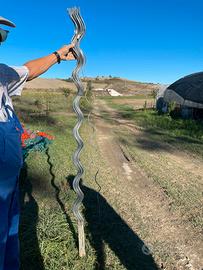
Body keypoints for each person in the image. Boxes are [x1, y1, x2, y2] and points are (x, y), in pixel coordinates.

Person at [0, 15, 75, 270]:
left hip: (9, 188)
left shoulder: (1, 74)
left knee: (9, 237)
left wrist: (57, 54)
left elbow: (28, 70)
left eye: (1, 36)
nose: (0, 41)